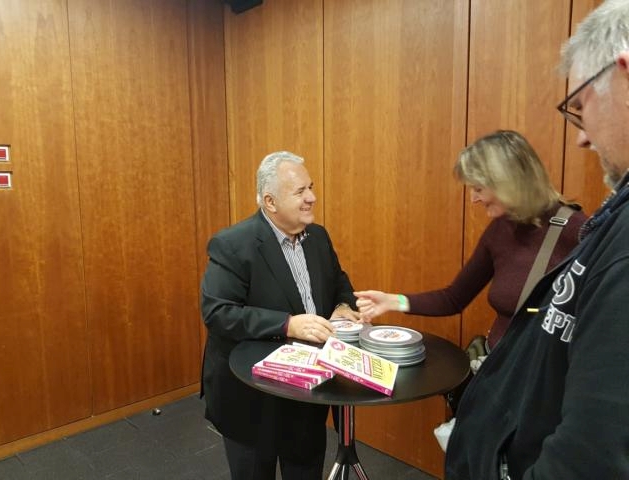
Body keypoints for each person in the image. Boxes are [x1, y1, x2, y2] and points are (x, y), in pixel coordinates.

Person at [444, 1, 629, 478]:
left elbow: (596, 444)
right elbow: (455, 295)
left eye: (580, 106)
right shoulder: (506, 231)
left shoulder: (587, 230)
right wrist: (396, 300)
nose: (581, 138)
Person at [199, 151, 359, 480]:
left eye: (311, 187)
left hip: (307, 393)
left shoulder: (318, 236)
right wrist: (288, 324)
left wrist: (344, 305)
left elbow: (339, 282)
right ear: (270, 201)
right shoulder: (233, 244)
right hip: (251, 399)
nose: (312, 197)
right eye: (300, 191)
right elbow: (218, 313)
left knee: (305, 470)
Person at [355, 130, 586, 354]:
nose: (474, 199)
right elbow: (453, 299)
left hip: (542, 375)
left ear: (508, 183)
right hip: (498, 365)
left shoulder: (578, 232)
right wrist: (392, 301)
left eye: (478, 189)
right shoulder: (501, 228)